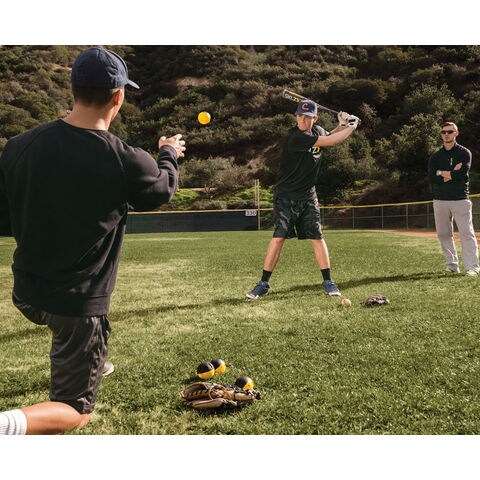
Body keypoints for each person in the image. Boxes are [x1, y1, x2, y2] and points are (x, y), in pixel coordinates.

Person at [0, 46, 185, 435]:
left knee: (71, 331)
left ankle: (93, 359)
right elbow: (162, 189)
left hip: (27, 293)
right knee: (75, 410)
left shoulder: (19, 146)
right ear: (118, 97)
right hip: (75, 307)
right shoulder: (125, 159)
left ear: (73, 89)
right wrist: (168, 153)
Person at [246, 100, 358, 300]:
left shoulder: (318, 131)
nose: (302, 120)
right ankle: (263, 284)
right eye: (299, 116)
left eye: (307, 117)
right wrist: (352, 126)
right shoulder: (295, 137)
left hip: (308, 195)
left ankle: (328, 281)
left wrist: (342, 124)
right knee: (279, 237)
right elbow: (331, 142)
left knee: (317, 237)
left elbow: (329, 136)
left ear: (315, 118)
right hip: (286, 195)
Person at [428, 121, 479, 276]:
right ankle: (452, 266)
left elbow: (462, 175)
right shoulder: (436, 156)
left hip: (460, 199)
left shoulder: (464, 153)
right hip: (439, 200)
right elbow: (432, 178)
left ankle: (472, 267)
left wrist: (441, 173)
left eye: (450, 131)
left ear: (456, 133)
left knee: (466, 233)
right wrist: (451, 173)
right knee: (443, 234)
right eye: (443, 132)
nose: (446, 134)